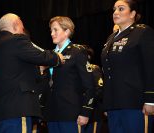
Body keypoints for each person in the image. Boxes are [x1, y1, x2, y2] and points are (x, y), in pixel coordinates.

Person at [0, 13, 64, 133]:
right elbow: (40, 56)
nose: (23, 31)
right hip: (16, 110)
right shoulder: (16, 40)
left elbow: (14, 71)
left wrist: (39, 70)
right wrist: (57, 58)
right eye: (22, 28)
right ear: (16, 26)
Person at [101, 0, 154, 133]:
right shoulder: (110, 38)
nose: (115, 12)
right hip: (114, 103)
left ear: (132, 14)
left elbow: (150, 66)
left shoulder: (142, 32)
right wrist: (107, 103)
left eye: (121, 9)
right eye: (114, 9)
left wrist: (150, 100)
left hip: (135, 102)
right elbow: (107, 72)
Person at [42, 16, 95, 133]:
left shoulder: (77, 51)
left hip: (72, 113)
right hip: (52, 114)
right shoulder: (49, 55)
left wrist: (85, 112)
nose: (52, 33)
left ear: (67, 31)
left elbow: (89, 85)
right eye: (51, 30)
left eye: (55, 30)